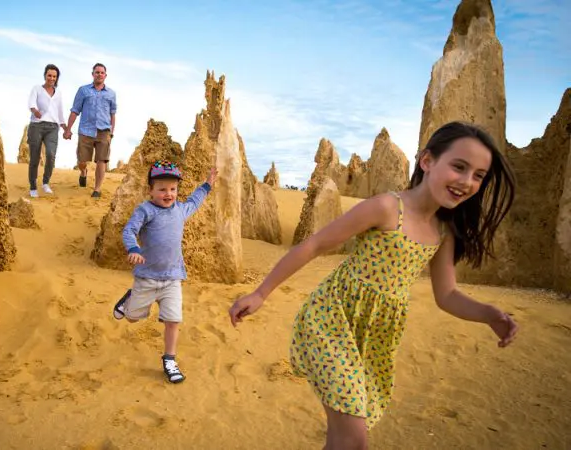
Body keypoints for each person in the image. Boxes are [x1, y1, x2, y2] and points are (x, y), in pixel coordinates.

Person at [228, 122, 518, 449]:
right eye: (459, 166)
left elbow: (447, 295)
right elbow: (314, 246)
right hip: (331, 319)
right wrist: (260, 292)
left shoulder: (443, 232)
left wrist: (489, 314)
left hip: (376, 335)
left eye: (479, 175)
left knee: (346, 439)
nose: (467, 181)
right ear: (427, 162)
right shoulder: (386, 207)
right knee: (354, 438)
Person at [112, 161, 218, 383]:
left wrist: (207, 185)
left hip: (172, 278)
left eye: (172, 189)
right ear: (150, 190)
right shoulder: (145, 210)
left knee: (173, 320)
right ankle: (129, 299)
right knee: (132, 319)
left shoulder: (180, 209)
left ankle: (169, 359)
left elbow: (195, 201)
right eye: (162, 189)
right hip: (146, 278)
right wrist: (133, 248)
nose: (168, 194)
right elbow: (130, 230)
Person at [64, 63, 116, 198]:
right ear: (92, 74)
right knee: (82, 161)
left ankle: (97, 189)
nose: (99, 74)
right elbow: (75, 110)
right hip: (86, 131)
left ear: (105, 75)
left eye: (102, 72)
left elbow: (112, 114)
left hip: (104, 131)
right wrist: (68, 129)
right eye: (97, 72)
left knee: (102, 160)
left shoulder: (111, 94)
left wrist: (111, 133)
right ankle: (83, 172)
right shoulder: (83, 90)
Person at [27, 63, 68, 198]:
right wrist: (35, 111)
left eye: (54, 76)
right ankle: (33, 186)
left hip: (52, 127)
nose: (51, 78)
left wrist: (64, 126)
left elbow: (59, 110)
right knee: (35, 157)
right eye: (49, 75)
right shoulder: (37, 89)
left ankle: (45, 182)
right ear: (45, 75)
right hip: (37, 125)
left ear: (57, 78)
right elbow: (31, 103)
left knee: (51, 155)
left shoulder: (58, 93)